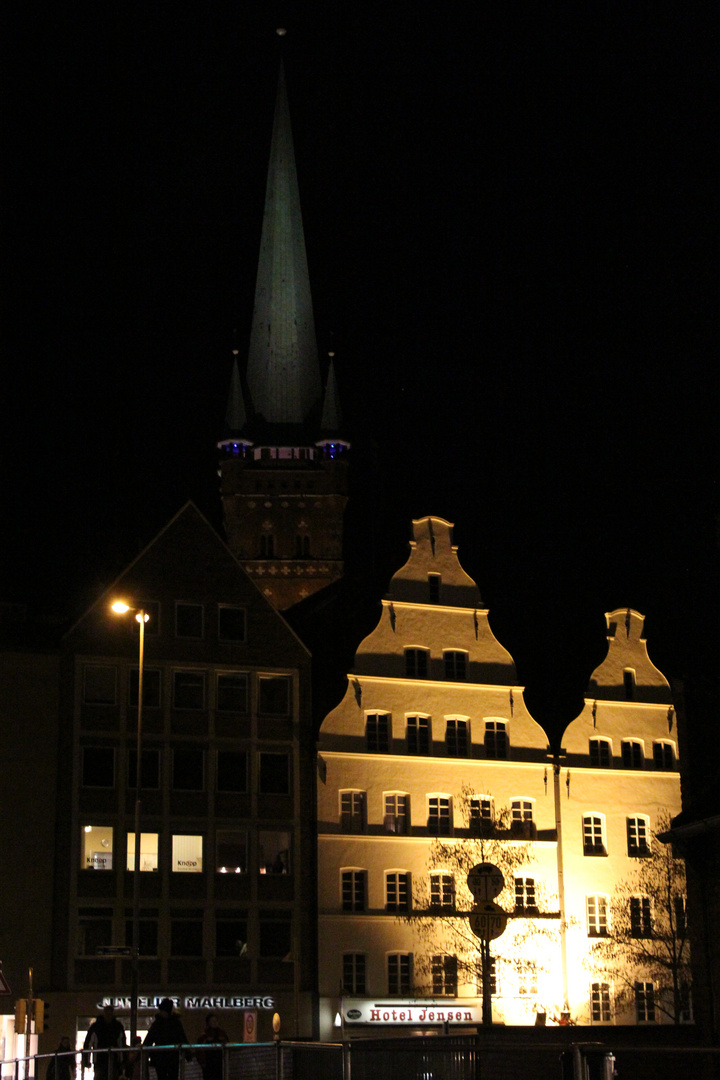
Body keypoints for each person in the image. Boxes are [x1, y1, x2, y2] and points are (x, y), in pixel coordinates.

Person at [143, 999, 190, 1080]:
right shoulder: (175, 1023)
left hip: (161, 1056)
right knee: (172, 1076)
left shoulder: (157, 1023)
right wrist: (188, 1054)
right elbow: (182, 1037)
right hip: (172, 1056)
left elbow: (150, 1038)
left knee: (163, 1076)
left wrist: (145, 1049)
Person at [83, 1006, 127, 1080]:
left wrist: (86, 1060)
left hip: (105, 1059)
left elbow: (88, 1043)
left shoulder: (96, 1026)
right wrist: (123, 1060)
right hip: (106, 1059)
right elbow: (122, 1044)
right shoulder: (117, 1026)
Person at [196, 1015, 228, 1080]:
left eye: (216, 1021)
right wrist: (202, 1062)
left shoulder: (222, 1033)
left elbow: (228, 1046)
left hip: (220, 1063)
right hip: (209, 1064)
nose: (215, 1022)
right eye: (212, 1021)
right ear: (208, 1023)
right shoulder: (204, 1035)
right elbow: (200, 1049)